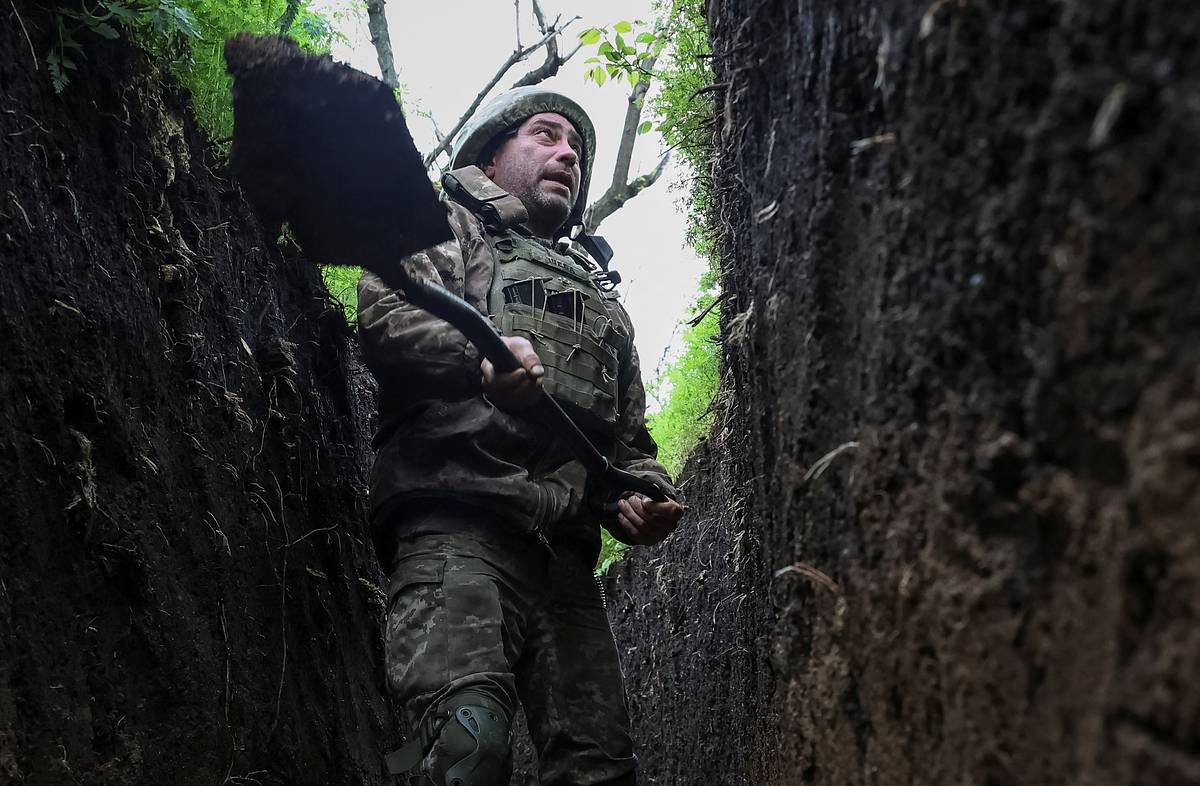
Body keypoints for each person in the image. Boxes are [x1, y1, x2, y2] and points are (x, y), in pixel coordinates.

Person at [357, 86, 684, 785]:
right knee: (465, 749)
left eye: (575, 150)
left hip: (564, 563)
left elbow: (630, 448)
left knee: (601, 770)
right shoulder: (443, 224)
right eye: (545, 134)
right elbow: (386, 314)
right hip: (457, 526)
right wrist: (477, 358)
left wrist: (645, 499)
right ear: (496, 151)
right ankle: (385, 764)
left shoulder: (603, 302)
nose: (565, 153)